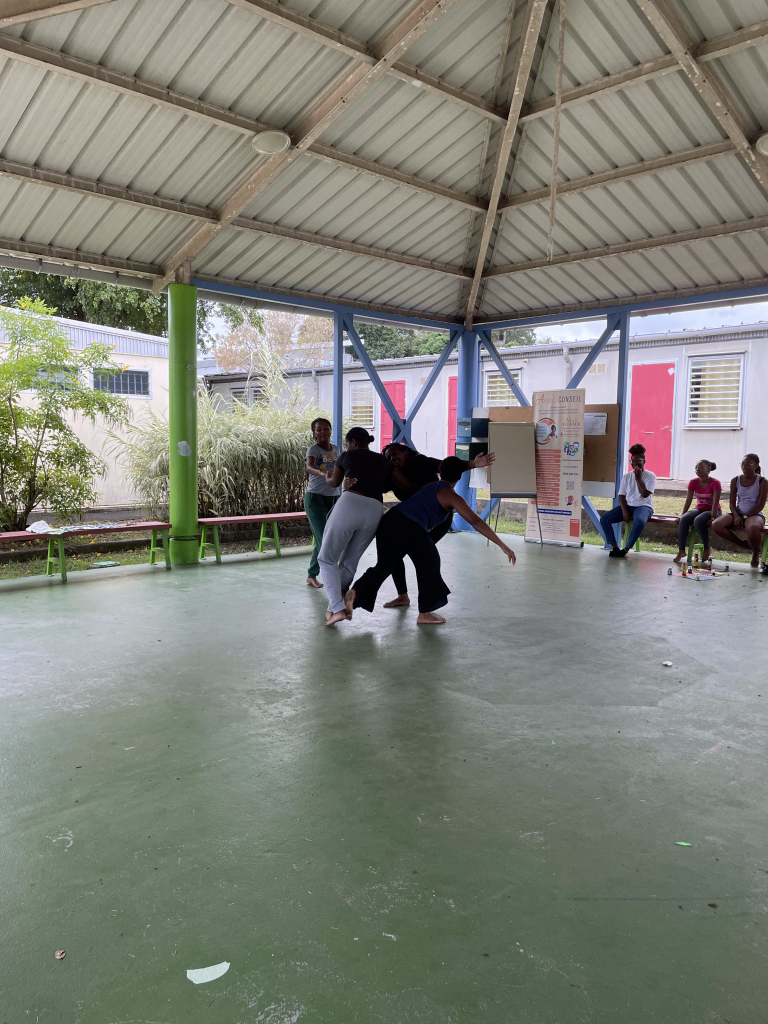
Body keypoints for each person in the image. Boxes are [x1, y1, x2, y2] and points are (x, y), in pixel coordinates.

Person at [344, 456, 516, 626]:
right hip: (409, 526)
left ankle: (357, 591)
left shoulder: (430, 485)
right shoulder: (452, 497)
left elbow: (451, 469)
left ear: (440, 471)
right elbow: (475, 521)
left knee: (385, 565)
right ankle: (424, 613)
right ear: (459, 477)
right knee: (429, 562)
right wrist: (502, 545)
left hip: (389, 521)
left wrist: (471, 464)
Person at [318, 427, 414, 626]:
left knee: (326, 559)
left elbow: (334, 482)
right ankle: (333, 610)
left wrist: (326, 475)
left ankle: (337, 608)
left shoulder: (346, 456)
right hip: (374, 510)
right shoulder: (384, 461)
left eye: (347, 444)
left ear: (352, 442)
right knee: (349, 563)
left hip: (351, 502)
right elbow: (407, 486)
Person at [381, 443, 495, 608]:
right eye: (388, 457)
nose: (392, 458)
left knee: (424, 554)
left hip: (438, 518)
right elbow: (377, 485)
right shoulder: (392, 474)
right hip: (413, 520)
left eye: (395, 454)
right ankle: (403, 596)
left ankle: (431, 598)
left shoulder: (419, 462)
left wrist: (474, 464)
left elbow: (449, 466)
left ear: (406, 452)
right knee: (396, 554)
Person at [599, 443, 656, 557]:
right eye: (632, 461)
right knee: (605, 519)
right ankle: (615, 547)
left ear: (644, 461)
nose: (634, 464)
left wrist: (638, 478)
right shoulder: (626, 477)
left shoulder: (650, 476)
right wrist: (624, 511)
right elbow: (621, 496)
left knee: (639, 521)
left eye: (638, 461)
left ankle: (625, 549)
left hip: (644, 506)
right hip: (629, 506)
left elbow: (645, 494)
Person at [712, 453, 767, 568]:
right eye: (742, 463)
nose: (744, 466)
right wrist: (737, 516)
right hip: (738, 513)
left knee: (753, 527)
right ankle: (743, 544)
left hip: (755, 515)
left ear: (756, 465)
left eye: (748, 464)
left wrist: (745, 517)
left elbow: (760, 505)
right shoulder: (735, 480)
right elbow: (732, 503)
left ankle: (755, 553)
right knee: (716, 524)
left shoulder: (762, 481)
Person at [304, 417, 340, 588]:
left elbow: (340, 468)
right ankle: (330, 576)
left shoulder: (336, 449)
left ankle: (311, 575)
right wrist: (321, 473)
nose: (323, 432)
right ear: (314, 433)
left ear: (330, 431)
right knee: (324, 540)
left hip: (333, 497)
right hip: (315, 498)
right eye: (319, 429)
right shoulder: (313, 449)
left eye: (326, 428)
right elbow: (309, 467)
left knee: (326, 538)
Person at [673, 460, 721, 564]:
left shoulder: (715, 483)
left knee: (698, 520)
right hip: (699, 509)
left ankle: (707, 548)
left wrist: (712, 518)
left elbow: (715, 503)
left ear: (708, 470)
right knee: (684, 519)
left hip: (714, 511)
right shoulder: (693, 482)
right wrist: (682, 515)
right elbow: (688, 500)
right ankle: (681, 550)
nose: (697, 470)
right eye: (696, 468)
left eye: (700, 467)